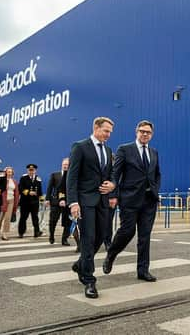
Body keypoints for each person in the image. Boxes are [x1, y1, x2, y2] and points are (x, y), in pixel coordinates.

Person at [103, 120, 161, 281]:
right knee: (127, 231)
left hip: (149, 200)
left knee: (145, 236)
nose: (145, 134)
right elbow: (115, 173)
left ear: (151, 135)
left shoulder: (154, 152)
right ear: (136, 132)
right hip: (129, 199)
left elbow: (157, 174)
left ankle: (143, 270)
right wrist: (113, 194)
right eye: (142, 131)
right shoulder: (125, 149)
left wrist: (156, 190)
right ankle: (111, 253)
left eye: (148, 132)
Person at [67, 117, 116, 299]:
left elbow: (112, 174)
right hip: (85, 201)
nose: (108, 135)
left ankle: (81, 263)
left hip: (103, 201)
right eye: (106, 131)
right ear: (96, 127)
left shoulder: (108, 150)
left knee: (102, 235)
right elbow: (72, 177)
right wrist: (73, 202)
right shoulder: (80, 147)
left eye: (110, 132)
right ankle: (88, 279)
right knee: (88, 239)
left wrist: (112, 185)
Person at [45, 158, 71, 245]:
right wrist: (47, 199)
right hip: (55, 202)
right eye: (64, 164)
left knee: (67, 222)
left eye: (67, 164)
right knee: (53, 220)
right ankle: (51, 235)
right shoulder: (55, 175)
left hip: (68, 202)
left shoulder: (71, 176)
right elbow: (49, 188)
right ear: (61, 165)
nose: (65, 166)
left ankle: (64, 239)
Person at [18, 164, 43, 238]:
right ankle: (21, 232)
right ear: (27, 170)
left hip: (35, 202)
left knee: (35, 217)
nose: (31, 171)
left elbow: (40, 190)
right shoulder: (23, 178)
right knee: (23, 217)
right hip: (25, 202)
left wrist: (41, 199)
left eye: (33, 170)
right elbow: (20, 188)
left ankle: (36, 232)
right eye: (30, 170)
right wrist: (29, 192)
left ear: (35, 170)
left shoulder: (38, 179)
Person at [0, 167, 18, 240]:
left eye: (11, 172)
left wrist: (16, 203)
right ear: (5, 172)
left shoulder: (14, 181)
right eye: (8, 172)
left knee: (7, 218)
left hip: (11, 201)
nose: (9, 173)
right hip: (2, 201)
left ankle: (5, 234)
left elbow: (16, 192)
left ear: (12, 173)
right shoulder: (1, 180)